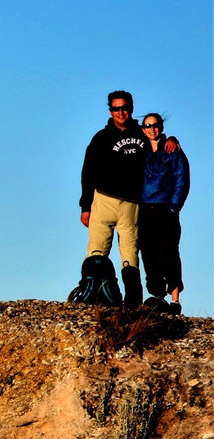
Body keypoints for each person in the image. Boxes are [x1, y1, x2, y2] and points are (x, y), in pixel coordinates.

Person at [78, 90, 176, 308]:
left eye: (124, 108)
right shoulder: (101, 138)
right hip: (103, 199)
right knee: (97, 249)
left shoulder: (141, 134)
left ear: (131, 108)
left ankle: (132, 302)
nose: (121, 112)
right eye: (116, 108)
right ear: (110, 111)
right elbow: (88, 172)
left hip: (131, 204)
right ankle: (93, 296)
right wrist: (85, 206)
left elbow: (156, 139)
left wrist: (171, 138)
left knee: (130, 253)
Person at [138, 113, 189, 314]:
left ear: (161, 126)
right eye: (148, 125)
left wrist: (173, 207)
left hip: (165, 209)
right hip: (143, 209)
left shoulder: (172, 150)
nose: (152, 129)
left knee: (168, 252)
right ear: (142, 128)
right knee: (148, 253)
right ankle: (158, 297)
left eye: (155, 125)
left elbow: (181, 179)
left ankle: (175, 300)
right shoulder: (140, 150)